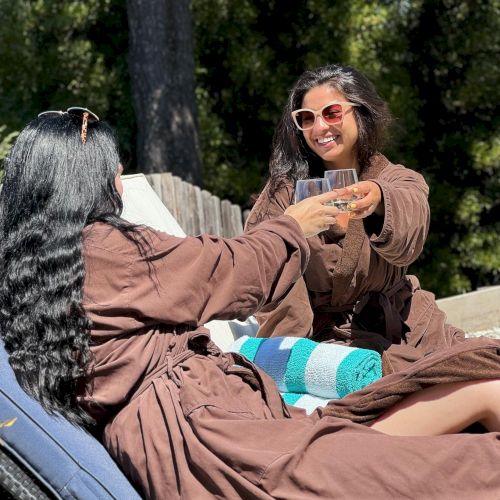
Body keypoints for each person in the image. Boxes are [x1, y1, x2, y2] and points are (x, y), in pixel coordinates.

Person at [1, 110, 499, 500]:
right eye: (113, 174)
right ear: (81, 179)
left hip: (229, 437)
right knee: (478, 466)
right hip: (227, 450)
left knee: (478, 380)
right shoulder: (104, 248)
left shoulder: (45, 270)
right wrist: (295, 224)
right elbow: (225, 269)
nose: (118, 185)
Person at [245, 64, 465, 374]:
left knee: (479, 372)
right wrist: (292, 360)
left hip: (410, 329)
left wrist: (378, 198)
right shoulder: (284, 194)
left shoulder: (395, 178)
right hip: (332, 347)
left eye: (332, 113)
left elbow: (412, 224)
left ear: (360, 112)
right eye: (306, 118)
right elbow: (266, 264)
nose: (319, 127)